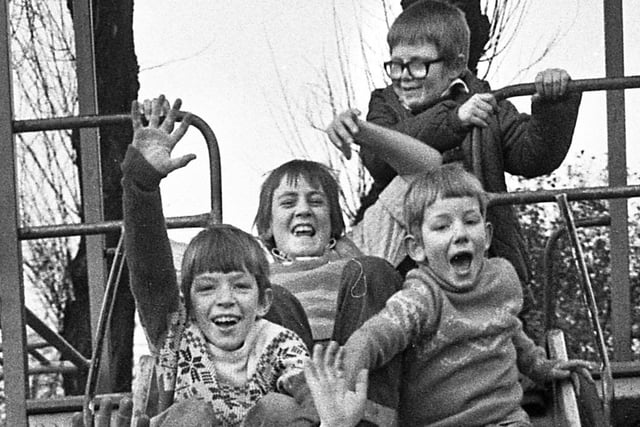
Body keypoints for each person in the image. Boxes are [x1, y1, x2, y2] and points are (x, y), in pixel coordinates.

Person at [326, 0, 582, 287]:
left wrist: (552, 107)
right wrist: (453, 120)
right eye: (396, 65)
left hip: (470, 253)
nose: (404, 76)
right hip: (406, 258)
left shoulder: (484, 101)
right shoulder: (385, 104)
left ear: (456, 66)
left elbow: (532, 157)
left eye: (418, 65)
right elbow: (377, 161)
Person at [341, 163, 593, 426]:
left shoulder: (502, 278)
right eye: (442, 227)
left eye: (470, 221)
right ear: (416, 248)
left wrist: (541, 366)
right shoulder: (422, 296)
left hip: (504, 420)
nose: (460, 233)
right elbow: (378, 334)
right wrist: (349, 368)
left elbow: (511, 332)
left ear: (486, 235)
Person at [123, 97, 314, 426]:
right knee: (192, 412)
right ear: (189, 303)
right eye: (207, 288)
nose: (225, 300)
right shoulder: (177, 335)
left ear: (264, 300)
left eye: (240, 287)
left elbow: (310, 394)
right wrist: (142, 182)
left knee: (279, 408)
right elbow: (149, 270)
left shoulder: (279, 344)